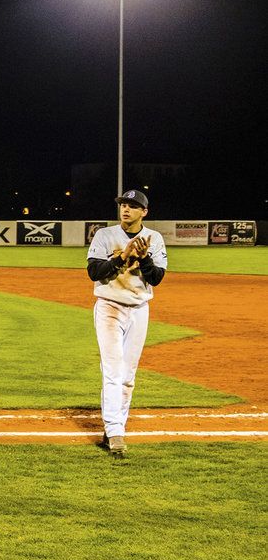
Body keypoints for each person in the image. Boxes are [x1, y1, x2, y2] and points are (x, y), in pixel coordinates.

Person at [87, 189, 167, 457]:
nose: (126, 209)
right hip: (109, 307)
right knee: (112, 371)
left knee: (128, 376)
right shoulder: (105, 235)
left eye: (133, 206)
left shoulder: (154, 239)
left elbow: (156, 278)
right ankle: (115, 431)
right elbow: (94, 272)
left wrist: (144, 259)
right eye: (123, 204)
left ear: (144, 212)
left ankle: (114, 427)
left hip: (139, 309)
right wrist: (122, 257)